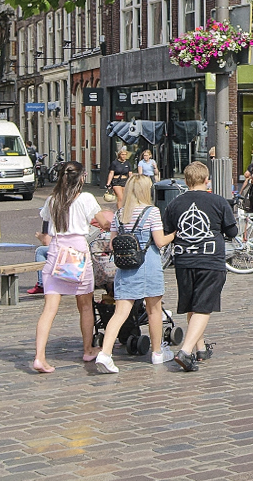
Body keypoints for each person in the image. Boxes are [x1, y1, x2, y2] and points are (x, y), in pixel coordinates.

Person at [94, 173, 175, 372]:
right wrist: (174, 234)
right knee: (154, 310)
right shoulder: (152, 212)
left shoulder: (121, 213)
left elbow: (113, 244)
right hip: (149, 265)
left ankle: (105, 354)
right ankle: (157, 352)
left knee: (120, 312)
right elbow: (159, 241)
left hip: (126, 268)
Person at [160, 161, 236, 372]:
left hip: (184, 261)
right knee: (204, 306)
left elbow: (168, 231)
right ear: (206, 179)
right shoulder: (218, 202)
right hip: (210, 259)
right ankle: (185, 351)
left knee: (193, 304)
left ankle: (200, 348)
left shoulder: (175, 204)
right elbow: (232, 232)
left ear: (186, 181)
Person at [31, 162, 102, 373]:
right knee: (85, 304)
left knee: (49, 309)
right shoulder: (85, 198)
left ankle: (39, 356)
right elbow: (101, 222)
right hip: (78, 252)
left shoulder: (52, 199)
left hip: (56, 251)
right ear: (81, 178)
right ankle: (88, 349)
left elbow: (46, 224)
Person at [108, 145, 132, 211]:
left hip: (125, 181)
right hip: (116, 181)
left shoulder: (128, 163)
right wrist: (108, 183)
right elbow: (111, 173)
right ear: (119, 155)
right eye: (122, 154)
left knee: (124, 198)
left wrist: (132, 182)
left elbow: (130, 174)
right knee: (120, 197)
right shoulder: (114, 163)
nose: (123, 156)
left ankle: (124, 210)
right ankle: (119, 212)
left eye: (125, 155)